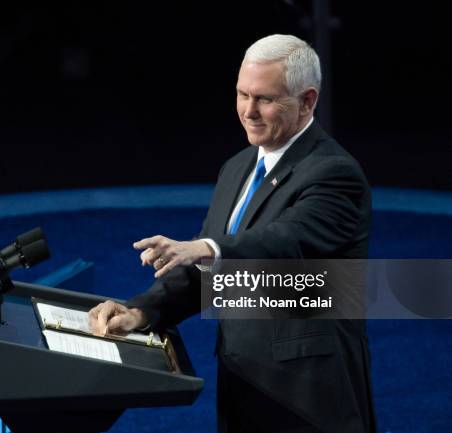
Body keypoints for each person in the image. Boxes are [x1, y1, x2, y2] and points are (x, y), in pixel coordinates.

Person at [89, 34, 376, 433]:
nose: (249, 111)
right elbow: (205, 273)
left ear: (307, 101)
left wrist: (205, 247)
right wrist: (142, 311)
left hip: (308, 395)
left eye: (265, 99)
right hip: (243, 385)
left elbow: (284, 242)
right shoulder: (237, 167)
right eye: (242, 95)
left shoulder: (334, 173)